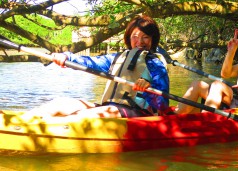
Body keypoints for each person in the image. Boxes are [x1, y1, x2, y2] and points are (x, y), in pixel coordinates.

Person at [24, 15, 171, 119]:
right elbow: (91, 63)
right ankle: (23, 120)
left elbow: (163, 106)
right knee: (60, 103)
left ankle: (48, 128)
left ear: (152, 39)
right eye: (135, 36)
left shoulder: (155, 64)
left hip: (138, 113)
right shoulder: (117, 58)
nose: (140, 41)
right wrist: (67, 57)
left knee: (85, 115)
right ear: (128, 37)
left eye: (145, 37)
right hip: (111, 107)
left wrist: (149, 90)